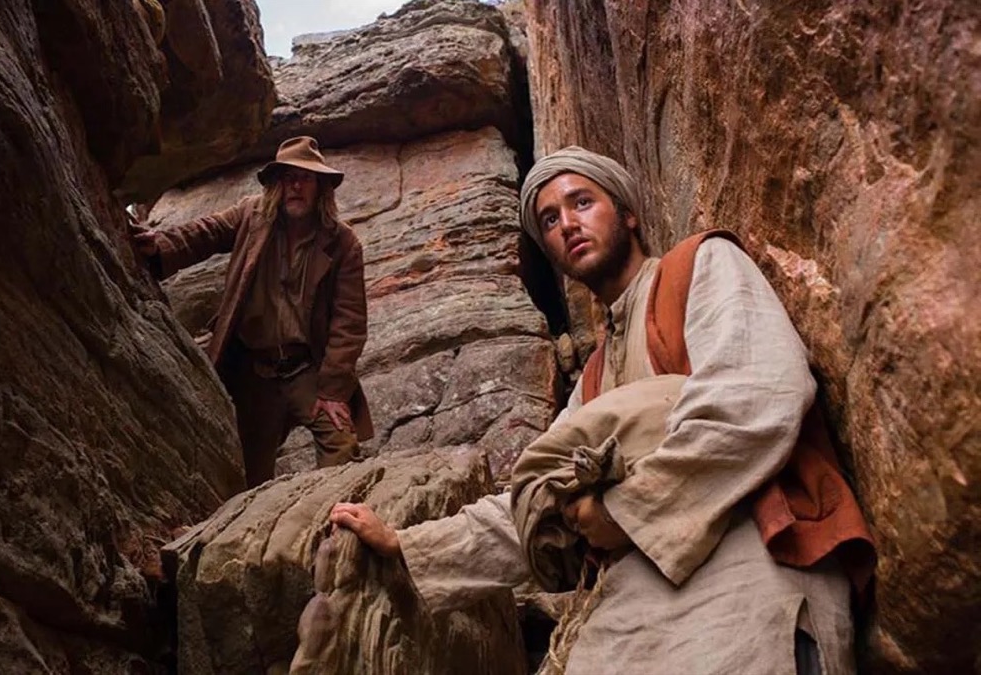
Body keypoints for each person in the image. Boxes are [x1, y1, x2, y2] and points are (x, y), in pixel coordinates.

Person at [329, 147, 874, 674]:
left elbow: (757, 396)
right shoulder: (592, 380)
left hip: (751, 573)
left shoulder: (699, 265)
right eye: (549, 220)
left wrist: (617, 511)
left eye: (582, 202)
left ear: (629, 213)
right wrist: (408, 546)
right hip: (634, 611)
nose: (566, 223)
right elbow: (533, 504)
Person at [132, 136, 372, 487]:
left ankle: (334, 525)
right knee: (250, 477)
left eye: (305, 178)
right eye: (287, 177)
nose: (295, 186)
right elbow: (206, 233)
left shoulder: (343, 243)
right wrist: (159, 246)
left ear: (321, 187)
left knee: (341, 444)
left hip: (308, 369)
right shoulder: (251, 215)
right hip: (254, 375)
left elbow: (349, 323)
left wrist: (333, 391)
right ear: (276, 184)